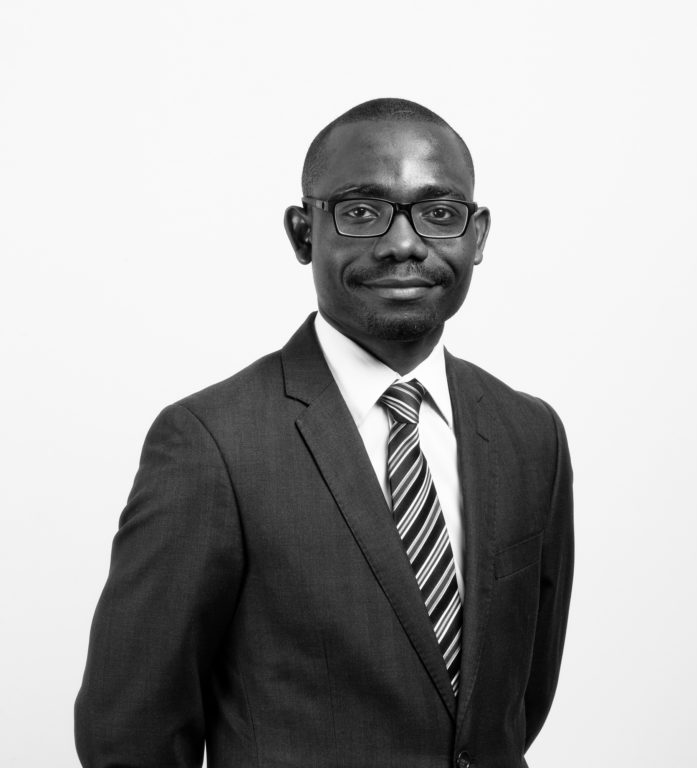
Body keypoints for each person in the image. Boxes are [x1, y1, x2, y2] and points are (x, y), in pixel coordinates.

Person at [75, 98, 574, 768]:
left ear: (477, 235)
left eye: (439, 212)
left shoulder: (530, 436)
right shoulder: (211, 444)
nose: (404, 244)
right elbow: (128, 734)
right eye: (362, 212)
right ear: (303, 232)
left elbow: (513, 706)